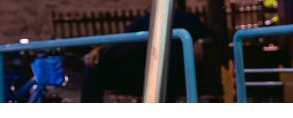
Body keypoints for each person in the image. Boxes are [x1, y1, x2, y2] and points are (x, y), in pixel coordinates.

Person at [80, 9, 215, 102]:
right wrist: (98, 49)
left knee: (163, 65)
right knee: (93, 68)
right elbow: (122, 39)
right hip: (134, 68)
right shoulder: (144, 20)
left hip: (167, 70)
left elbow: (212, 37)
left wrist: (200, 42)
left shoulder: (184, 18)